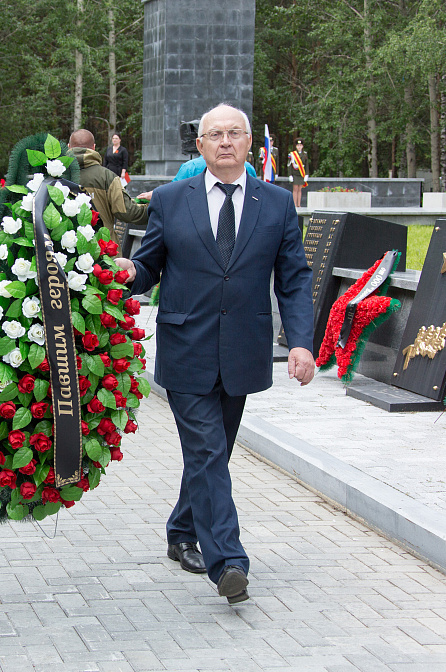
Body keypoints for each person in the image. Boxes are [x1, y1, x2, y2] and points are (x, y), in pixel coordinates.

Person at [115, 104, 315, 604]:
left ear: (249, 143)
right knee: (206, 451)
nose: (225, 142)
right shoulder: (168, 199)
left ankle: (182, 529)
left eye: (234, 134)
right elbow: (148, 268)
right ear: (200, 146)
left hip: (243, 350)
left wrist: (302, 343)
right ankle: (227, 559)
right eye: (214, 135)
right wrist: (122, 273)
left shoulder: (275, 204)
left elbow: (293, 279)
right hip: (186, 347)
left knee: (214, 453)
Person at [67, 129, 148, 244]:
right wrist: (155, 207)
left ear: (69, 146)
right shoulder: (107, 177)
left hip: (63, 257)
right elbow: (127, 212)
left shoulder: (55, 175)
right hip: (104, 252)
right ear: (94, 148)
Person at [288, 138, 309, 208]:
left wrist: (306, 174)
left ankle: (299, 204)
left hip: (301, 174)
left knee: (300, 189)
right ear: (296, 146)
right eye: (298, 145)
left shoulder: (305, 154)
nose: (299, 147)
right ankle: (294, 204)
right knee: (295, 189)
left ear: (302, 146)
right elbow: (289, 165)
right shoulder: (292, 154)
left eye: (300, 145)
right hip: (295, 174)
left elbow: (307, 165)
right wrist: (290, 175)